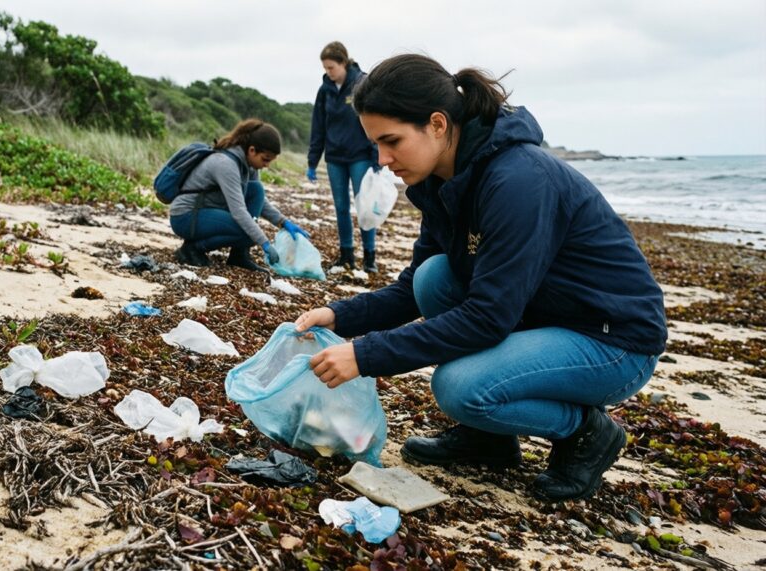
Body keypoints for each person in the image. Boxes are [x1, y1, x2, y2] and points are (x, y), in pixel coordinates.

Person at [294, 54, 667, 501]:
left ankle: (587, 432)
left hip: (613, 341)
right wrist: (339, 317)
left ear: (436, 124)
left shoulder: (518, 181)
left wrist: (366, 355)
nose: (382, 159)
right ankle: (489, 440)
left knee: (459, 387)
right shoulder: (441, 182)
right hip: (541, 314)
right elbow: (412, 289)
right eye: (375, 143)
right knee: (433, 277)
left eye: (391, 141)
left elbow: (488, 317)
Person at [169, 119, 309, 273]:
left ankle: (239, 255)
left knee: (256, 190)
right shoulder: (226, 164)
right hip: (186, 216)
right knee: (248, 233)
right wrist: (265, 244)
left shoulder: (249, 165)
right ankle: (192, 249)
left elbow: (260, 202)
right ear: (252, 150)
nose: (267, 165)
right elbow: (238, 211)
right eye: (265, 159)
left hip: (206, 211)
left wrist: (284, 222)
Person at [307, 41, 379, 273]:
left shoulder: (361, 83)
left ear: (343, 63)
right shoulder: (324, 90)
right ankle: (346, 254)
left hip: (360, 155)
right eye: (325, 68)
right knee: (340, 207)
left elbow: (375, 119)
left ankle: (369, 257)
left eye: (331, 68)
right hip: (335, 157)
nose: (328, 72)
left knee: (364, 205)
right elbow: (318, 126)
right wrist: (312, 161)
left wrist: (377, 155)